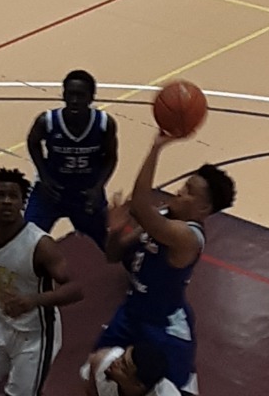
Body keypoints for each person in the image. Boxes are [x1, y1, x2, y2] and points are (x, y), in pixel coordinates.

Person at [94, 131, 236, 394]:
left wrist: (156, 148)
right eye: (184, 185)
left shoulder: (188, 237)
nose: (179, 191)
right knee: (97, 371)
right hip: (132, 312)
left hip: (164, 328)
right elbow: (113, 255)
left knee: (167, 389)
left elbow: (139, 206)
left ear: (203, 209)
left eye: (189, 192)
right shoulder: (163, 215)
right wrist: (115, 230)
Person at [0, 168, 84, 396]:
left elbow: (76, 289)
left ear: (22, 203)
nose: (7, 201)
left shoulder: (40, 245)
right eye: (0, 195)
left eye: (13, 196)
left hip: (35, 334)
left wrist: (33, 300)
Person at [24, 69, 118, 250]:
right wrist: (44, 176)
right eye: (70, 94)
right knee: (26, 242)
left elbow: (111, 157)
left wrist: (99, 187)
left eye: (80, 95)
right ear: (63, 95)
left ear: (91, 98)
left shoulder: (104, 124)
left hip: (85, 193)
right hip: (52, 191)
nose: (74, 100)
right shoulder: (47, 121)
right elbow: (32, 142)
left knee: (108, 247)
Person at [81, 343, 182, 396]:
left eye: (123, 366)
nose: (116, 361)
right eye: (122, 356)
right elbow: (90, 388)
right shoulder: (103, 363)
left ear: (139, 385)